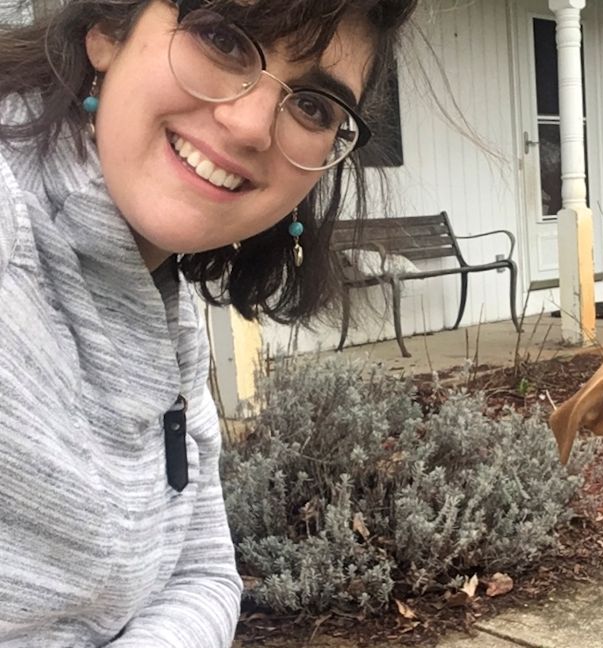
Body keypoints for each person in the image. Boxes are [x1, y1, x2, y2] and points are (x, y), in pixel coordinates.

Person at [0, 0, 416, 645]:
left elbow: (202, 572)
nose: (251, 125)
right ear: (108, 31)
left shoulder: (164, 303)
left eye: (312, 105)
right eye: (223, 39)